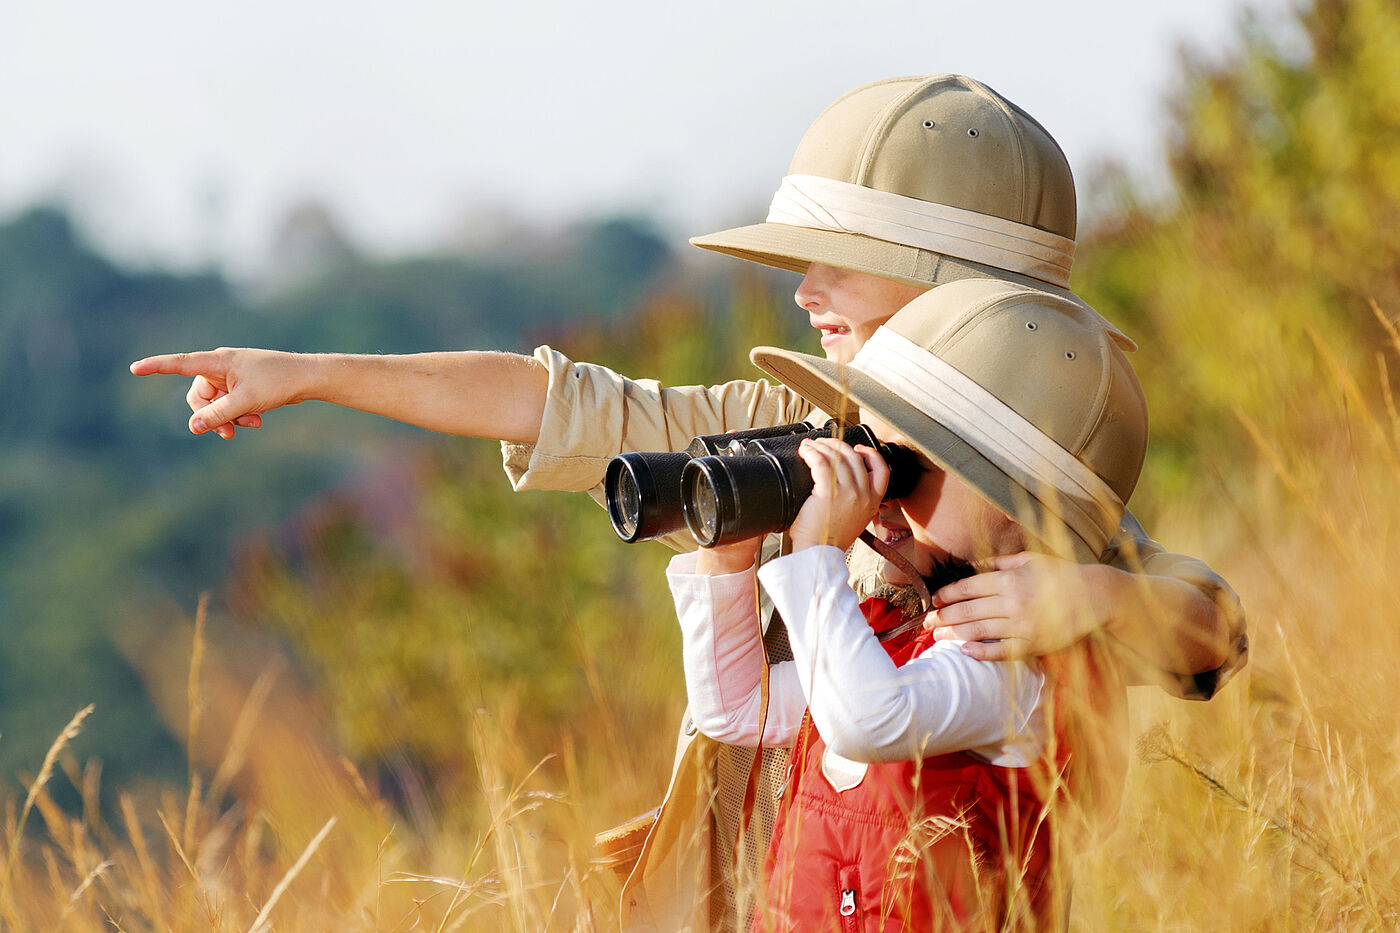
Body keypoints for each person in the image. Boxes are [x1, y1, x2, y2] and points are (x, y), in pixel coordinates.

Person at [130, 74, 1246, 930]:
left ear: (956, 287)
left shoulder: (1023, 484)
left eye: (841, 261)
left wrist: (1096, 597)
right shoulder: (794, 419)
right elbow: (561, 404)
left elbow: (1210, 629)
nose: (804, 290)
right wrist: (313, 373)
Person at [670, 277, 1144, 930]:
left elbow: (867, 720)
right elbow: (734, 707)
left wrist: (817, 555)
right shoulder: (891, 634)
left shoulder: (1010, 664)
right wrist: (727, 556)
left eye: (906, 467)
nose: (882, 495)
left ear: (1019, 502)